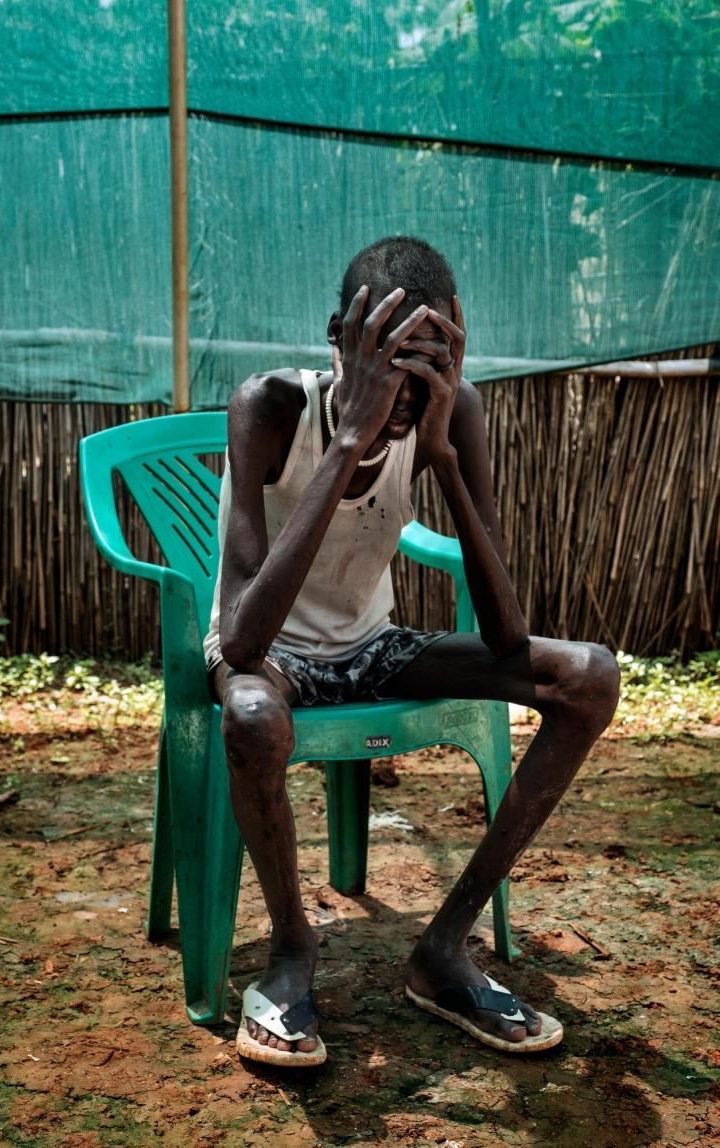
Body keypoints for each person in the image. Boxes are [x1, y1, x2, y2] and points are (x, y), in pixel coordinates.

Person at [203, 236, 620, 1067]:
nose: (407, 392)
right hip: (269, 658)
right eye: (391, 364)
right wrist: (350, 438)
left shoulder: (450, 412)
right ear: (340, 338)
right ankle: (291, 956)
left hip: (372, 645)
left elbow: (506, 635)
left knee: (587, 675)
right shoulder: (270, 405)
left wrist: (441, 457)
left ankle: (443, 948)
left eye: (430, 366)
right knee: (249, 714)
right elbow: (244, 637)